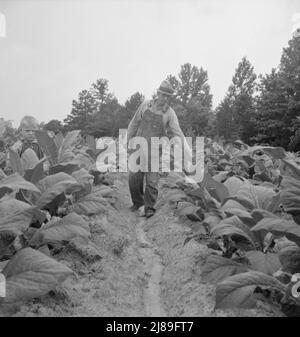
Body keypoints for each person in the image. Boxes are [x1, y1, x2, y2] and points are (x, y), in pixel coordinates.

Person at [127, 80, 192, 218]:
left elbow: (178, 133)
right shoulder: (145, 105)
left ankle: (149, 207)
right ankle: (138, 203)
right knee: (134, 178)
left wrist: (188, 153)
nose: (165, 98)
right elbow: (134, 123)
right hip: (138, 147)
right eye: (163, 95)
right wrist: (128, 141)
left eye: (168, 96)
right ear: (158, 93)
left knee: (152, 181)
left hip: (155, 151)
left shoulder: (170, 114)